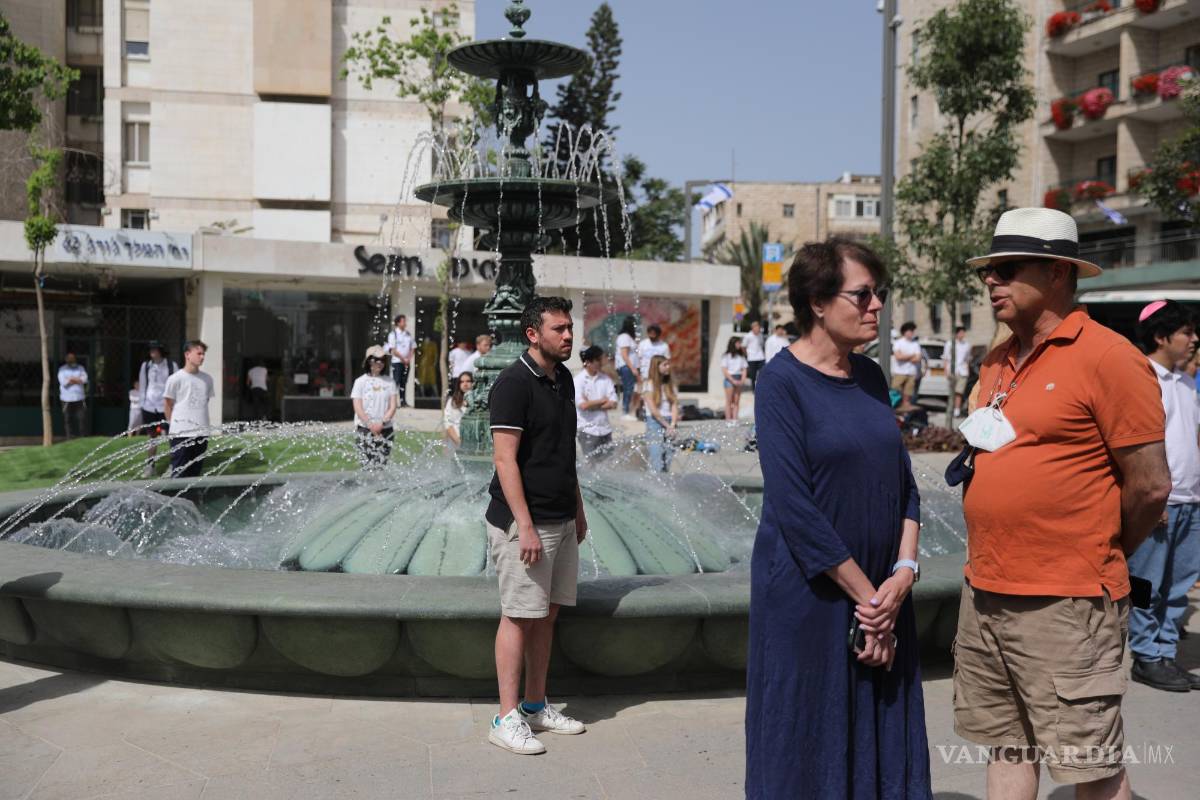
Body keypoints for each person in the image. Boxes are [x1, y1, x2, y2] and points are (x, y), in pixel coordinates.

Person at [956, 208, 1170, 798]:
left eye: (1006, 269)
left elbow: (1150, 485)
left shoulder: (1109, 357)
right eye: (988, 270)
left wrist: (1102, 547)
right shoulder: (998, 359)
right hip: (986, 590)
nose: (990, 280)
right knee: (1007, 745)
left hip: (1067, 602)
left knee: (1090, 766)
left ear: (1056, 272)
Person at [745, 237, 929, 799]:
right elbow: (794, 509)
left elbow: (905, 486)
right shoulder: (779, 383)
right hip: (813, 599)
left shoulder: (871, 376)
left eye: (880, 294)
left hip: (882, 594)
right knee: (808, 740)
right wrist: (872, 604)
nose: (878, 306)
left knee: (880, 738)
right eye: (863, 294)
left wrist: (903, 573)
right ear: (818, 303)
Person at [486, 295, 588, 755]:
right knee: (518, 616)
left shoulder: (563, 378)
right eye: (558, 329)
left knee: (547, 614)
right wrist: (524, 526)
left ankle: (534, 705)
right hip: (525, 523)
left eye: (569, 327)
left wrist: (577, 507)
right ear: (533, 334)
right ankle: (505, 718)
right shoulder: (513, 383)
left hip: (561, 517)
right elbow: (504, 460)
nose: (568, 335)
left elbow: (563, 450)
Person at [1126, 300, 1200, 692]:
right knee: (1147, 584)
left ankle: (1166, 654)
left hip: (1192, 502)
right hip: (1161, 503)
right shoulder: (1142, 378)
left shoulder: (1186, 382)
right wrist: (1151, 498)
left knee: (1178, 587)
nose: (1194, 339)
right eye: (1186, 332)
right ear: (1161, 336)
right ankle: (1145, 656)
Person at [163, 341, 215, 479]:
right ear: (187, 354)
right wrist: (173, 425)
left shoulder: (207, 379)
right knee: (179, 474)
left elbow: (206, 401)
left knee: (195, 475)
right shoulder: (175, 379)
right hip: (181, 433)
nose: (202, 357)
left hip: (201, 433)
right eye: (199, 353)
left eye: (203, 354)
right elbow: (167, 404)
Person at [351, 345, 397, 468]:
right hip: (365, 428)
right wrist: (370, 425)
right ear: (369, 361)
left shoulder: (390, 382)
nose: (380, 363)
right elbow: (358, 407)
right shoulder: (360, 382)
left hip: (385, 429)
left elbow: (393, 406)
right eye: (377, 359)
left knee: (381, 467)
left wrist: (381, 423)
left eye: (383, 360)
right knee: (367, 467)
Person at [139, 344, 178, 477]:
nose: (152, 352)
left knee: (170, 436)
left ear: (161, 351)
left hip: (165, 406)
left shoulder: (171, 365)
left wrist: (174, 405)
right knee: (152, 437)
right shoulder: (146, 366)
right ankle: (150, 466)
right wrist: (142, 404)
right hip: (149, 406)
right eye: (150, 349)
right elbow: (143, 385)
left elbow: (176, 386)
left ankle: (173, 465)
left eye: (155, 349)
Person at [574, 345, 618, 460]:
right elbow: (583, 405)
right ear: (588, 362)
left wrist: (592, 404)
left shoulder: (605, 379)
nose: (601, 363)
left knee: (608, 464)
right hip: (587, 430)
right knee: (591, 465)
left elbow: (614, 403)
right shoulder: (578, 380)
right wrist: (603, 400)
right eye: (598, 360)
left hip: (605, 429)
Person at [645, 355, 679, 473]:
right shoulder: (648, 385)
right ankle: (654, 479)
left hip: (670, 421)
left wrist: (673, 424)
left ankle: (664, 479)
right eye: (665, 365)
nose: (668, 367)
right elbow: (654, 411)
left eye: (668, 364)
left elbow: (674, 405)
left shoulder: (670, 384)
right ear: (656, 367)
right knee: (656, 454)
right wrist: (667, 425)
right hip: (655, 422)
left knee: (669, 455)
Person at [636, 323, 670, 420]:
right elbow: (638, 359)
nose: (652, 336)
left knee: (655, 393)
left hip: (658, 376)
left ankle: (655, 412)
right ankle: (641, 412)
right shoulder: (643, 344)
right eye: (650, 333)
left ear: (658, 334)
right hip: (645, 374)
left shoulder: (664, 346)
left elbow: (667, 360)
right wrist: (638, 374)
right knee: (643, 394)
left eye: (654, 334)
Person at [57, 351, 88, 440]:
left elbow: (84, 379)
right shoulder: (62, 369)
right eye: (69, 358)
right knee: (67, 419)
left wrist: (71, 379)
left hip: (79, 397)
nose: (70, 359)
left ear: (75, 359)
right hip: (66, 398)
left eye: (72, 358)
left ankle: (82, 437)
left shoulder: (80, 368)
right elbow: (63, 382)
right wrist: (77, 380)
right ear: (66, 359)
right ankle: (69, 437)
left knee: (81, 418)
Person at [890, 321, 921, 409]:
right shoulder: (898, 343)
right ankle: (895, 407)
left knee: (908, 393)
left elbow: (918, 358)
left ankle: (905, 410)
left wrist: (904, 357)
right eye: (910, 331)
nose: (912, 333)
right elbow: (898, 357)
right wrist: (912, 355)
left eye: (912, 331)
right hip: (900, 372)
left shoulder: (915, 344)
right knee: (895, 391)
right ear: (905, 331)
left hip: (911, 372)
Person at [942, 326, 972, 418]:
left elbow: (967, 359)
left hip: (962, 371)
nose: (962, 334)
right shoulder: (949, 344)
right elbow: (945, 358)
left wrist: (967, 370)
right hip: (952, 370)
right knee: (952, 392)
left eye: (963, 332)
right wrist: (946, 371)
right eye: (961, 332)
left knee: (959, 392)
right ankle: (950, 409)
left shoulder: (967, 345)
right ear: (956, 333)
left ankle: (957, 410)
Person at [386, 314, 414, 408]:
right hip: (397, 362)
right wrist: (403, 359)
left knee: (404, 382)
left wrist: (408, 359)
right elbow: (393, 349)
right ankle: (393, 403)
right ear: (398, 323)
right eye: (403, 321)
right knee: (396, 382)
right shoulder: (393, 334)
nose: (405, 323)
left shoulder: (408, 334)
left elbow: (412, 348)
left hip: (406, 362)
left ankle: (403, 401)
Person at [615, 316, 639, 420]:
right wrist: (633, 368)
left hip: (629, 367)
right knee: (628, 388)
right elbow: (624, 354)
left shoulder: (628, 337)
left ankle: (629, 410)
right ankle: (625, 412)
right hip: (626, 367)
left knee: (631, 388)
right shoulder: (624, 337)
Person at [443, 371, 474, 449]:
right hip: (455, 441)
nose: (465, 384)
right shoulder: (452, 401)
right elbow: (448, 424)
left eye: (468, 381)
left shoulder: (477, 402)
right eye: (462, 382)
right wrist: (458, 442)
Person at [720, 336, 748, 422]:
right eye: (738, 343)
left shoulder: (741, 356)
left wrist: (742, 380)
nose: (739, 345)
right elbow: (724, 370)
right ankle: (728, 419)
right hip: (729, 379)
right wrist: (732, 380)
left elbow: (744, 369)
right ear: (733, 344)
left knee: (736, 401)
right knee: (729, 401)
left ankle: (735, 419)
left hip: (739, 377)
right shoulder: (726, 356)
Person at [743, 320, 765, 388]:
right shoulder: (748, 336)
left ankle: (761, 386)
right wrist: (747, 355)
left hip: (761, 357)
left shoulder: (760, 335)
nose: (758, 329)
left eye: (759, 327)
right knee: (753, 374)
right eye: (757, 327)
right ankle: (753, 388)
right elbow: (743, 346)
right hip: (752, 358)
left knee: (763, 372)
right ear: (753, 328)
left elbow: (761, 345)